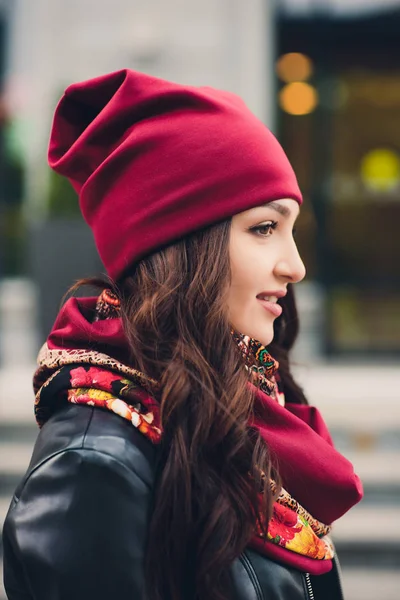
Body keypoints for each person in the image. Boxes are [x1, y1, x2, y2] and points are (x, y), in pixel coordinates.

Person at [2, 69, 363, 600]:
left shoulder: (233, 407)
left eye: (291, 229)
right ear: (183, 244)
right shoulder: (93, 469)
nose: (295, 266)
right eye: (265, 228)